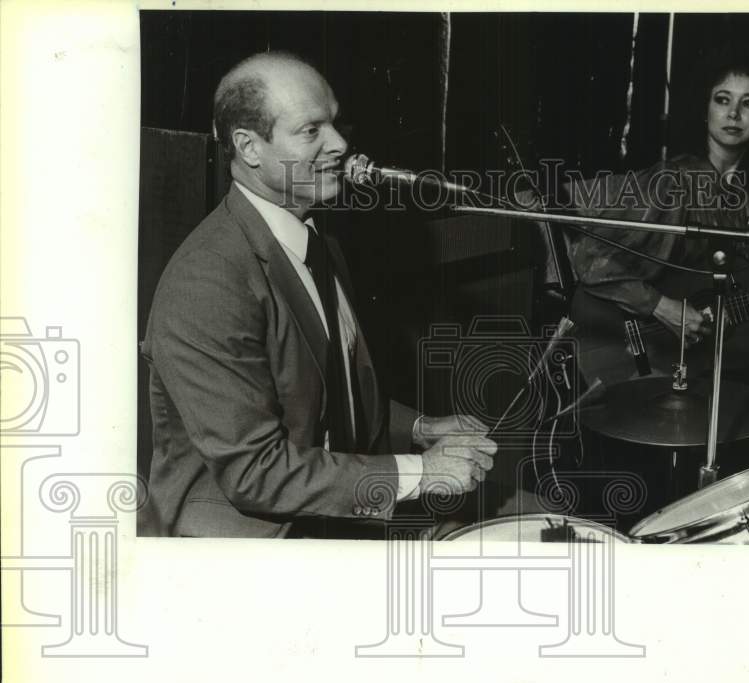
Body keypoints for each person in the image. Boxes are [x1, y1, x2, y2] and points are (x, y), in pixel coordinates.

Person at [140, 51, 497, 538]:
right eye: (311, 131)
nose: (341, 144)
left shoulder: (318, 240)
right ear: (249, 147)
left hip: (320, 512)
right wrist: (422, 472)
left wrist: (418, 429)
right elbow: (256, 473)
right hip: (244, 547)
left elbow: (324, 393)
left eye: (334, 122)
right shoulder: (207, 282)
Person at [564, 48, 749, 390]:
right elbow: (588, 257)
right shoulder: (671, 183)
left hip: (712, 376)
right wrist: (662, 307)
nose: (734, 113)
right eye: (723, 99)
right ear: (703, 109)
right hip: (641, 361)